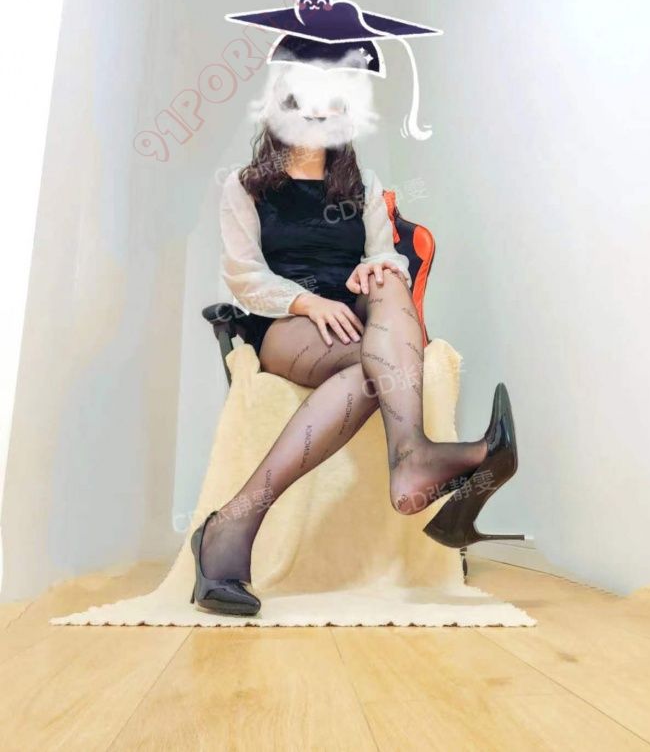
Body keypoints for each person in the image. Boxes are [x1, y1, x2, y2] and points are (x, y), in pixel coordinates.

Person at [190, 57, 519, 616]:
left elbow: (383, 252)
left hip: (353, 319)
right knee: (375, 363)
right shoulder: (243, 187)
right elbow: (243, 275)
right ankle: (239, 521)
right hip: (285, 321)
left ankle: (402, 458)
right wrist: (307, 301)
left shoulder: (362, 185)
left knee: (388, 284)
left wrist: (373, 269)